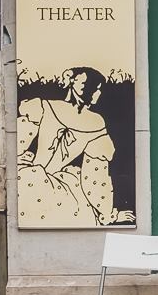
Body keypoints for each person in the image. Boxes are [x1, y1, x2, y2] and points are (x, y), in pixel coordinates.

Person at [16, 67, 134, 226]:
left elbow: (94, 174)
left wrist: (108, 213)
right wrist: (108, 214)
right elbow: (94, 176)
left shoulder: (45, 107)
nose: (97, 94)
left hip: (34, 181)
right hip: (38, 183)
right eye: (95, 89)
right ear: (81, 86)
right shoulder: (45, 108)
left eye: (99, 90)